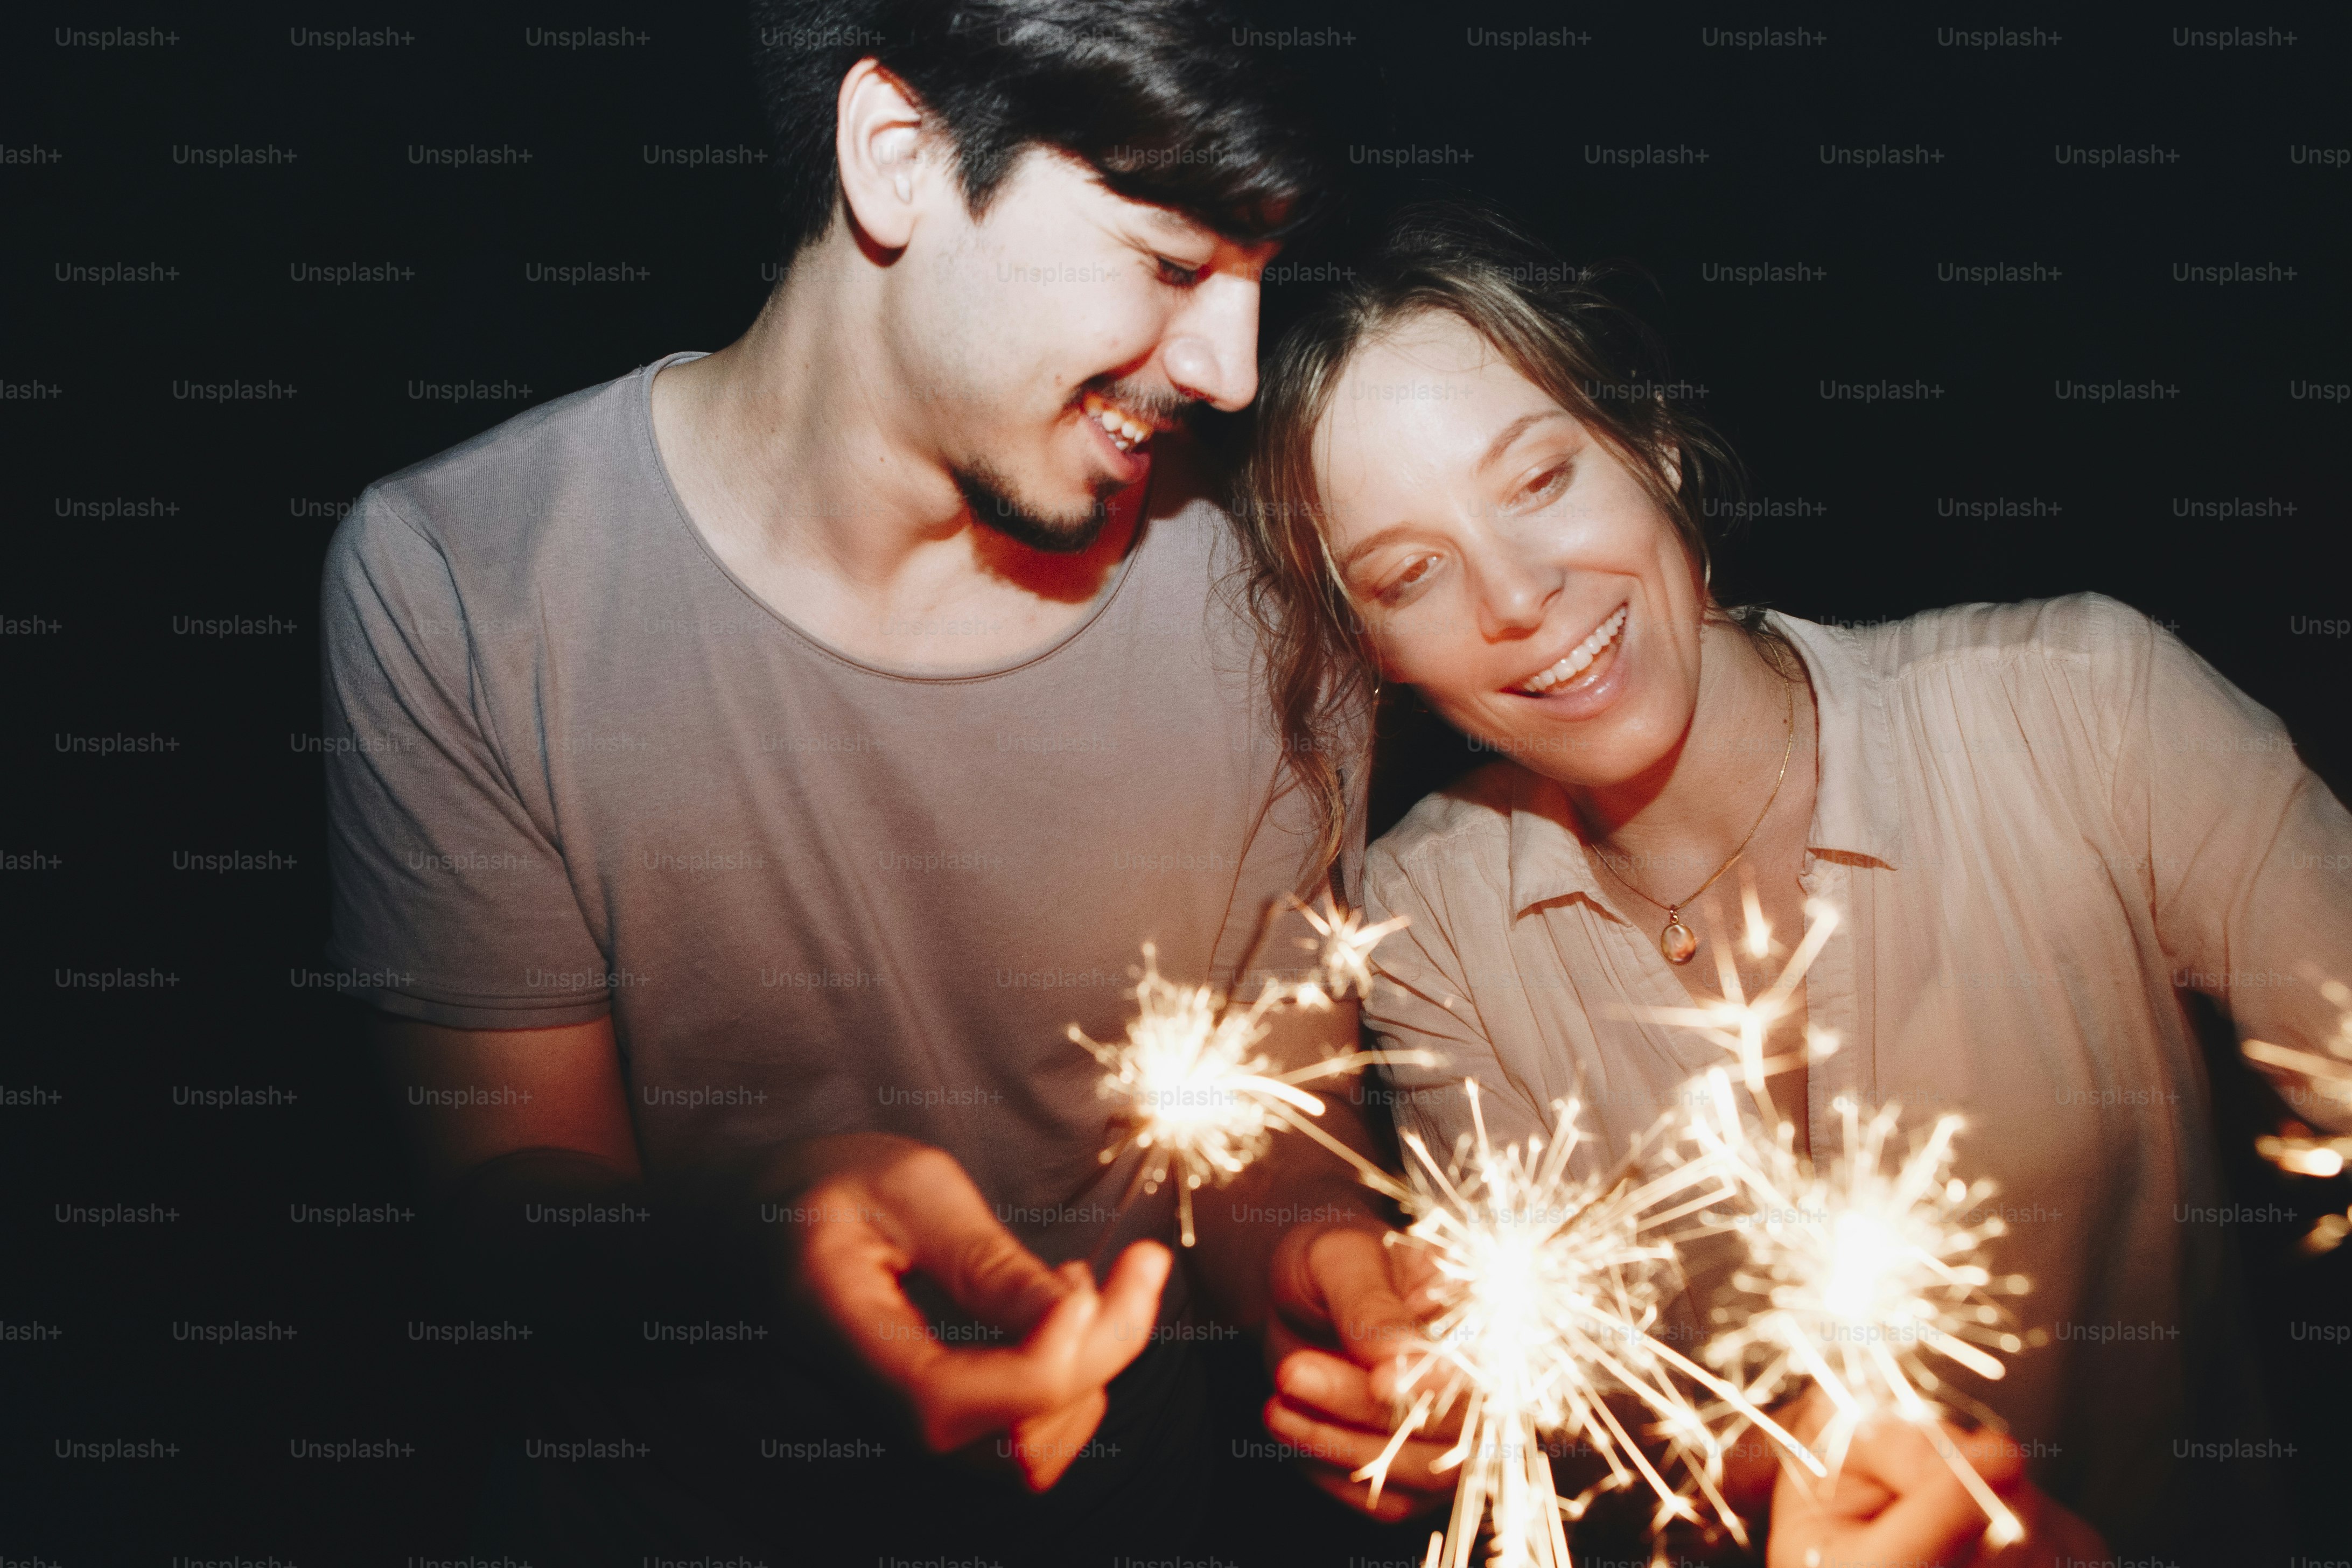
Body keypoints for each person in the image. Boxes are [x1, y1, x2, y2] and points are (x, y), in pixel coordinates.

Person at [319, 5, 1435, 1562]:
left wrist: (1327, 1270)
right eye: (1175, 264)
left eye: (1261, 273)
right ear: (897, 160)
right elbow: (501, 1206)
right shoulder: (463, 577)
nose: (1235, 373)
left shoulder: (1262, 584)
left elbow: (1268, 1130)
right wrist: (752, 1238)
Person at [1233, 201, 2352, 1565]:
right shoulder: (1432, 930)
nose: (1518, 594)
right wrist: (1445, 1406)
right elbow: (1576, 1423)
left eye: (1539, 481)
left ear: (1645, 445)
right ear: (1374, 651)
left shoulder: (2087, 709)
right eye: (1411, 573)